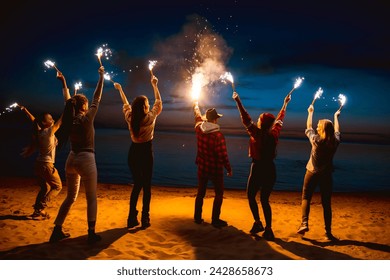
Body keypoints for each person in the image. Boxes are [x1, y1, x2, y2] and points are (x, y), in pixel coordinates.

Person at [49, 65, 105, 244]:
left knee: (70, 197)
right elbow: (97, 96)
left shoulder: (68, 118)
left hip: (71, 159)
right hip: (86, 160)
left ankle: (57, 229)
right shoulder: (87, 118)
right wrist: (101, 77)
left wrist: (64, 82)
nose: (90, 105)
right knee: (91, 198)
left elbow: (68, 102)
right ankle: (91, 233)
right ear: (83, 106)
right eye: (87, 104)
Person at [232, 91, 291, 240]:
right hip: (270, 169)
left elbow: (245, 118)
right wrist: (285, 104)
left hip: (258, 168)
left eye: (259, 119)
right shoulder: (274, 133)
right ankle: (268, 229)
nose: (256, 120)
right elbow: (279, 119)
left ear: (261, 123)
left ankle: (258, 222)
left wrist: (238, 100)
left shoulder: (256, 133)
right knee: (264, 200)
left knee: (251, 196)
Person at [113, 74, 162, 229]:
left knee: (137, 185)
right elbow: (159, 103)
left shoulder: (130, 117)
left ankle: (131, 217)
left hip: (133, 153)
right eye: (147, 103)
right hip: (146, 153)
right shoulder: (150, 118)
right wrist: (155, 85)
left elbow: (126, 104)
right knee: (146, 186)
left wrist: (120, 89)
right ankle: (145, 218)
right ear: (146, 107)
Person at [297, 104, 341, 241]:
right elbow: (337, 131)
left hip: (311, 172)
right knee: (326, 203)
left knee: (306, 197)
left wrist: (310, 112)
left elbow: (309, 127)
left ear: (321, 129)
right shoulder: (335, 142)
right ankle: (328, 232)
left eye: (319, 126)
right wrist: (336, 117)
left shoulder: (316, 141)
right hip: (326, 175)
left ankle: (304, 223)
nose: (316, 127)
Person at [19, 106, 63, 220]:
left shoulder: (39, 131)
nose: (53, 120)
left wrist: (25, 110)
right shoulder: (49, 132)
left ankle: (36, 212)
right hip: (46, 165)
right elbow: (61, 121)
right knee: (57, 187)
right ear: (44, 123)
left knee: (44, 188)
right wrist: (69, 106)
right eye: (50, 119)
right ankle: (40, 207)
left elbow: (34, 120)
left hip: (38, 165)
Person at [193, 101, 232, 227]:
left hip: (202, 167)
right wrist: (229, 168)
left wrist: (196, 105)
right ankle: (215, 220)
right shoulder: (218, 135)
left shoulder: (199, 128)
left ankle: (197, 218)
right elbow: (223, 154)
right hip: (215, 169)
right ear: (215, 120)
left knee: (201, 193)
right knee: (219, 194)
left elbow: (197, 116)